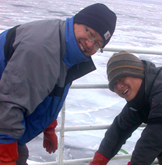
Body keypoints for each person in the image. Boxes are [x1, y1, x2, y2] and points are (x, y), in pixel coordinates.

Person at [0, 3, 116, 165]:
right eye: (90, 34)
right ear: (78, 21)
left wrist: (49, 127)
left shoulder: (66, 48)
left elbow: (49, 89)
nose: (90, 44)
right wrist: (5, 160)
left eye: (98, 44)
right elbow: (7, 106)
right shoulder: (41, 50)